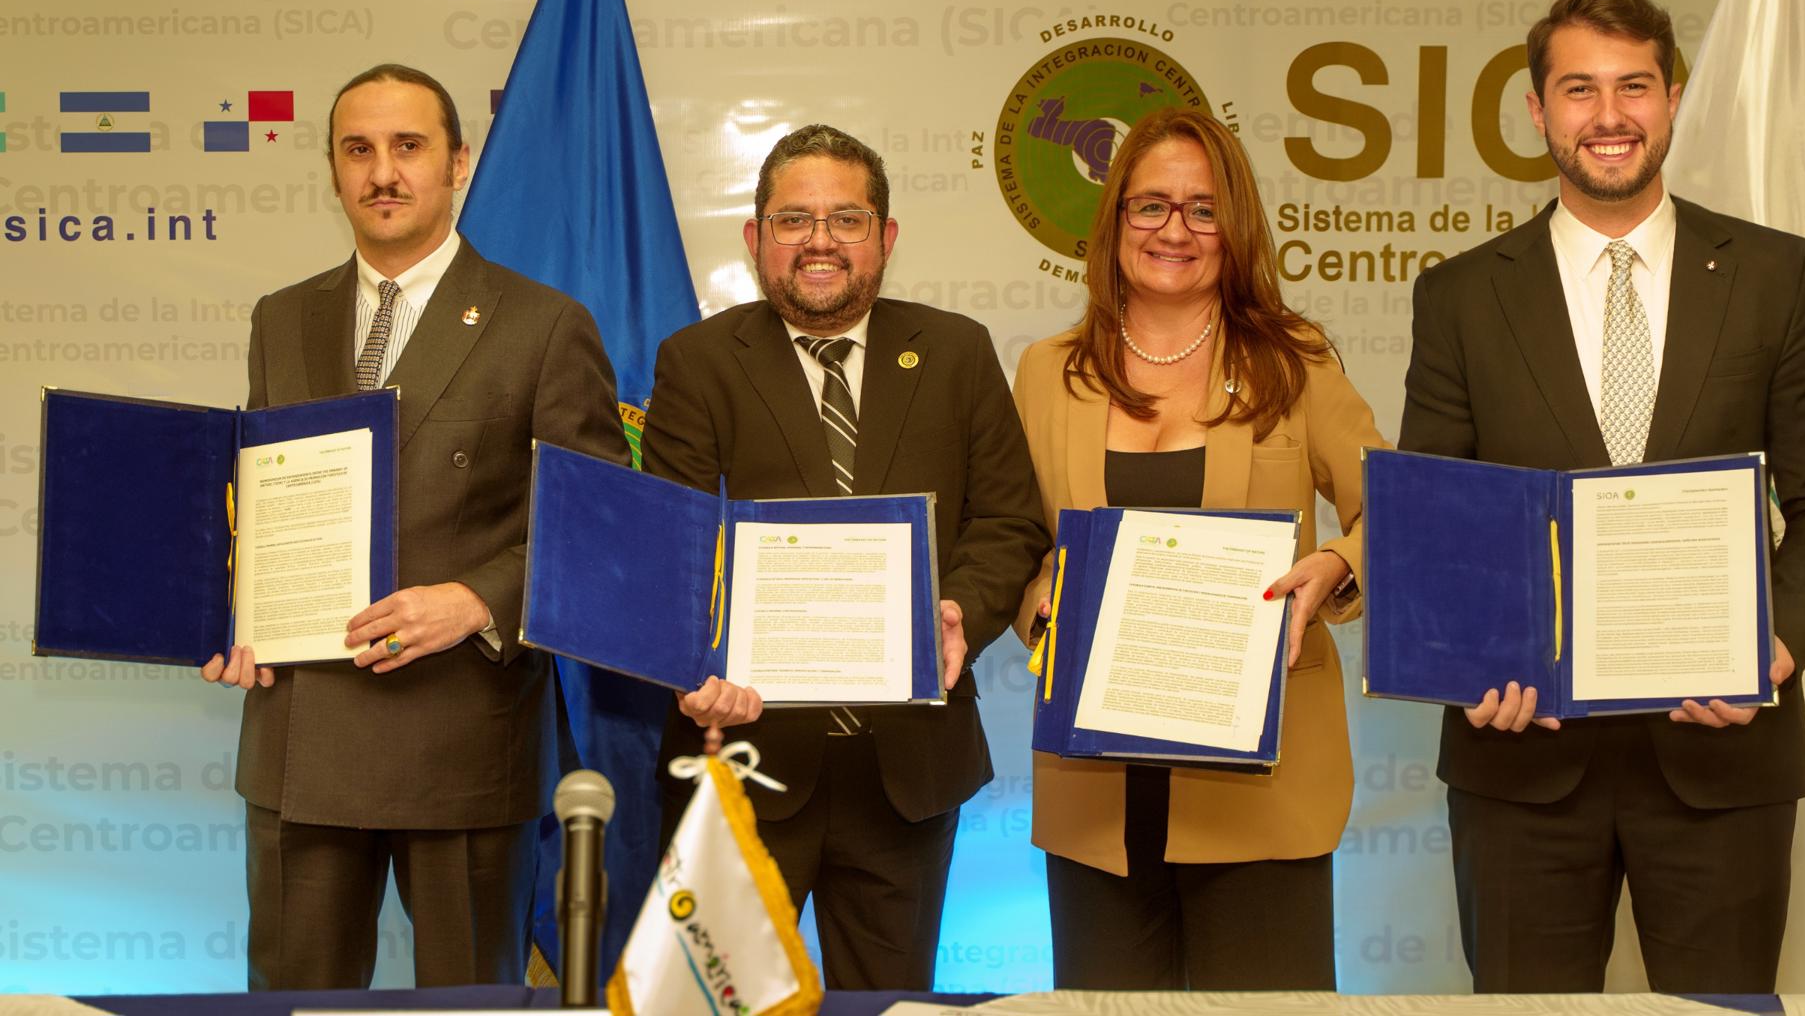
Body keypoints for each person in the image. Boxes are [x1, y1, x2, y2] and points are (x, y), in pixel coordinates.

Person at [1399, 0, 1805, 993]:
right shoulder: (1459, 296)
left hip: (1724, 756)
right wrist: (1469, 662)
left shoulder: (1777, 276)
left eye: (1633, 86)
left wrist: (1776, 645)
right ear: (1538, 110)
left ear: (1672, 100)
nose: (1608, 115)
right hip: (1521, 759)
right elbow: (1437, 520)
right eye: (1580, 89)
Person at [199, 64, 631, 990]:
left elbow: (599, 529)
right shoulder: (282, 317)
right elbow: (260, 504)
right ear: (332, 168)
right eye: (358, 150)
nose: (383, 172)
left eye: (408, 147)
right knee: (293, 1010)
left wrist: (477, 601)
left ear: (457, 163)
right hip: (300, 740)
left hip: (464, 739)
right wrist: (228, 614)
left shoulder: (545, 324)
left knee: (467, 1007)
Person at [639, 124, 1051, 990]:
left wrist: (957, 616)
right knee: (725, 1008)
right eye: (793, 220)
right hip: (741, 757)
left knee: (891, 1009)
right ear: (755, 238)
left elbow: (1007, 521)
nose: (819, 240)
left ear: (885, 237)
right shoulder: (698, 362)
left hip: (907, 770)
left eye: (847, 219)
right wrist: (691, 658)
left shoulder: (957, 351)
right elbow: (668, 547)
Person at [1011, 107, 1389, 989]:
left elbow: (1401, 516)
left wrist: (1336, 565)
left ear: (1235, 226)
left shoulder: (1294, 361)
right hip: (1097, 799)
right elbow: (1013, 541)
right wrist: (1041, 605)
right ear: (1116, 220)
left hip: (1262, 792)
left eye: (1203, 209)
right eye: (1151, 205)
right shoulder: (1047, 372)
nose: (1174, 230)